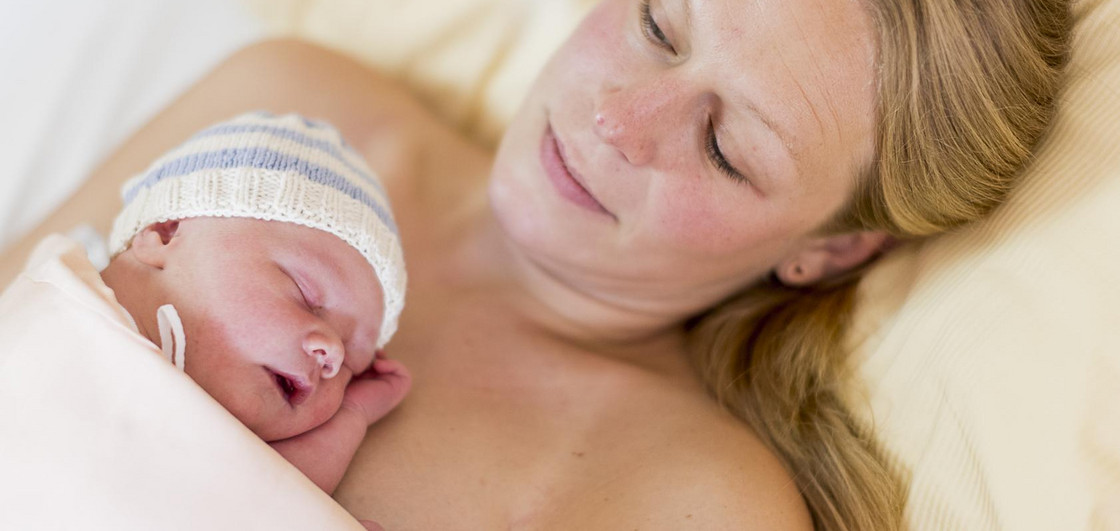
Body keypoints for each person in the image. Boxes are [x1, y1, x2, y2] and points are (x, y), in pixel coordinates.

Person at [0, 0, 1072, 528]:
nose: (618, 119)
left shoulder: (689, 500)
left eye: (724, 145)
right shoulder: (288, 119)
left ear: (828, 247)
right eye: (658, 24)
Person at [0, 112, 411, 497]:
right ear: (164, 234)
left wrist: (353, 413)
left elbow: (275, 496)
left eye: (351, 363)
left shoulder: (230, 458)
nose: (333, 355)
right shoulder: (58, 303)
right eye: (307, 296)